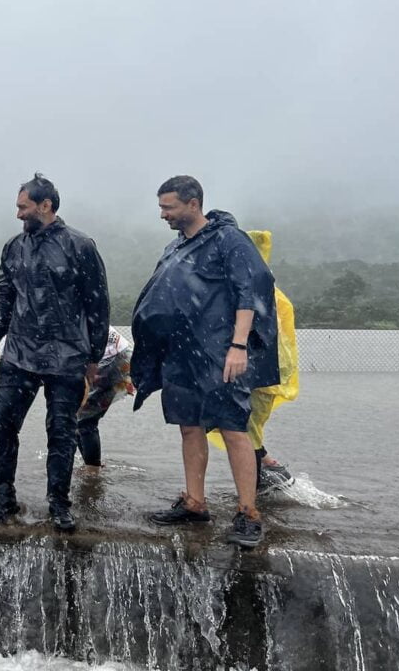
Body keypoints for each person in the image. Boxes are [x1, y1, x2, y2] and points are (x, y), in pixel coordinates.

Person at [131, 176, 279, 548]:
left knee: (232, 428)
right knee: (189, 426)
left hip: (219, 353)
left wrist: (239, 345)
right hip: (182, 354)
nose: (163, 214)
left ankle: (248, 512)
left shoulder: (228, 239)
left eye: (169, 207)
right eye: (162, 207)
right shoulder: (176, 245)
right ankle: (195, 503)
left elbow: (251, 290)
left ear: (193, 204)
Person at [0, 173, 110, 532]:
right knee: (0, 424)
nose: (18, 214)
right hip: (19, 354)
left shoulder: (80, 246)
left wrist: (93, 359)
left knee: (62, 432)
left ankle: (59, 503)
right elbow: (2, 296)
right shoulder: (13, 247)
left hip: (67, 357)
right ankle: (2, 497)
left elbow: (97, 305)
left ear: (45, 206)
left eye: (23, 207)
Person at [207, 230, 299, 495]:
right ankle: (266, 474)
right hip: (257, 374)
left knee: (245, 430)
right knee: (245, 428)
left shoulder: (263, 293)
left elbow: (277, 342)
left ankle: (256, 491)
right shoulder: (258, 289)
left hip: (259, 375)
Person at [75, 327, 134, 474]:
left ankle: (92, 472)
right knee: (78, 417)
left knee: (84, 420)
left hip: (110, 359)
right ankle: (92, 466)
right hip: (117, 356)